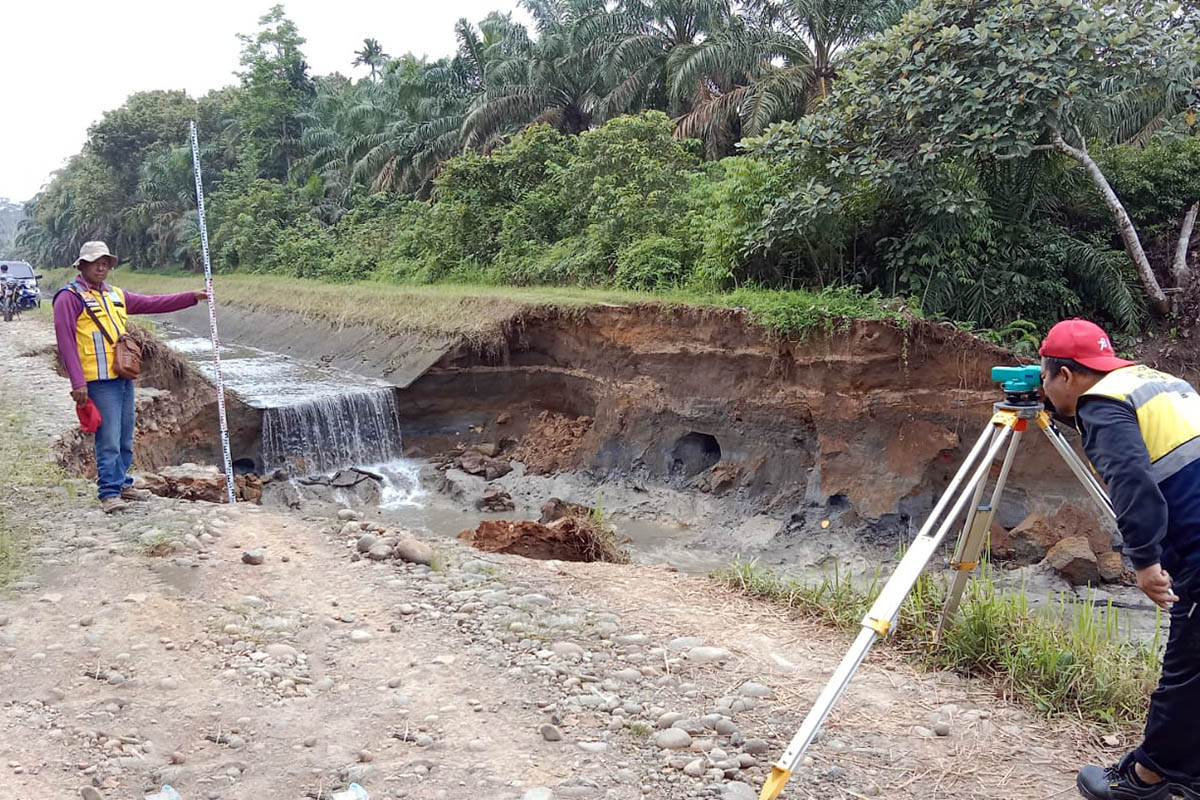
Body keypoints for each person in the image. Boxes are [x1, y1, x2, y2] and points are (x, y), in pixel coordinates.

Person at [1038, 318, 1200, 800]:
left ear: (1065, 375)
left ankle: (1148, 778)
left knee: (1187, 663)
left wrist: (1146, 560)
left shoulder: (1102, 404)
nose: (1043, 388)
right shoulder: (1159, 382)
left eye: (1045, 376)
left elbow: (1132, 482)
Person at [52, 241, 208, 514]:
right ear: (82, 265)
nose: (102, 267)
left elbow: (153, 303)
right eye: (95, 262)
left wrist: (191, 297)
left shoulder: (115, 295)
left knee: (124, 435)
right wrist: (78, 382)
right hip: (98, 380)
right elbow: (65, 342)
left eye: (106, 262)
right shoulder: (69, 297)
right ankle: (109, 493)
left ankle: (123, 483)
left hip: (123, 376)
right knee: (108, 437)